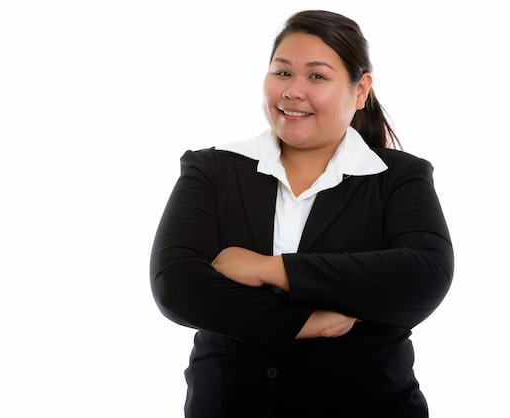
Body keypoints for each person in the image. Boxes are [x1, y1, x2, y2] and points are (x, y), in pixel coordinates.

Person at [150, 9, 453, 418]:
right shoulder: (213, 169)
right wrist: (304, 323)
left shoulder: (398, 177)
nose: (293, 91)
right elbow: (176, 284)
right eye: (281, 73)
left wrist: (272, 269)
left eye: (317, 76)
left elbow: (423, 275)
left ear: (360, 89)